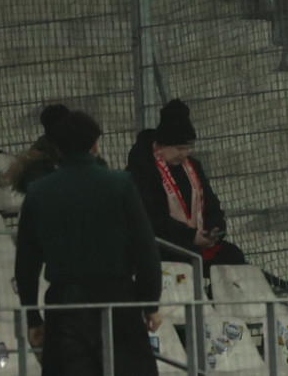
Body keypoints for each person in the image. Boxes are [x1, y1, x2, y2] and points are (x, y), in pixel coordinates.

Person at [16, 109, 160, 376]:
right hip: (118, 302)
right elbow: (145, 249)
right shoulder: (120, 184)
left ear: (57, 148)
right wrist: (150, 302)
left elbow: (26, 262)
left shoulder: (38, 192)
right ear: (95, 144)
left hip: (65, 304)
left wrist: (32, 318)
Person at [125, 101, 243, 267]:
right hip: (161, 244)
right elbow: (150, 217)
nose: (184, 154)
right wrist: (189, 236)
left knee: (232, 255)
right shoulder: (143, 169)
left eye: (188, 148)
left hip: (194, 241)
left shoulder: (192, 167)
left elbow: (210, 204)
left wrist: (214, 229)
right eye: (179, 148)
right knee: (187, 258)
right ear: (161, 145)